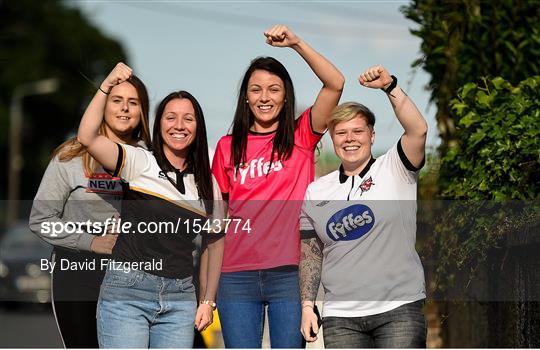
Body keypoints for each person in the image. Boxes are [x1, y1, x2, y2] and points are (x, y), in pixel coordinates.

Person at [211, 25, 344, 348]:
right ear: (246, 96)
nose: (264, 97)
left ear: (286, 96)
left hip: (290, 273)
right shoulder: (227, 147)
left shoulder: (302, 136)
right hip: (236, 275)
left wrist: (296, 43)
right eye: (256, 89)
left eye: (274, 89)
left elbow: (335, 83)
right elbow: (218, 217)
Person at [77, 62, 224, 348]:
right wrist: (106, 86)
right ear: (159, 124)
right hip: (127, 292)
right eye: (170, 117)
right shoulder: (138, 161)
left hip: (180, 299)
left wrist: (207, 300)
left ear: (198, 127)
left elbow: (215, 242)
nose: (179, 126)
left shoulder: (208, 182)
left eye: (188, 119)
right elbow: (87, 137)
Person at [299, 65, 428, 348]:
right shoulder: (317, 190)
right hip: (341, 318)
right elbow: (310, 254)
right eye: (341, 132)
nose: (350, 138)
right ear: (333, 139)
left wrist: (390, 87)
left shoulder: (396, 167)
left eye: (358, 130)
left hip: (398, 310)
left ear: (371, 135)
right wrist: (308, 306)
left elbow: (418, 129)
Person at [29, 72, 151, 348]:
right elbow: (41, 221)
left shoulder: (151, 160)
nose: (124, 108)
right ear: (103, 104)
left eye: (133, 102)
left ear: (143, 111)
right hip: (76, 272)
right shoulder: (70, 156)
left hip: (133, 276)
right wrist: (92, 242)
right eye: (117, 100)